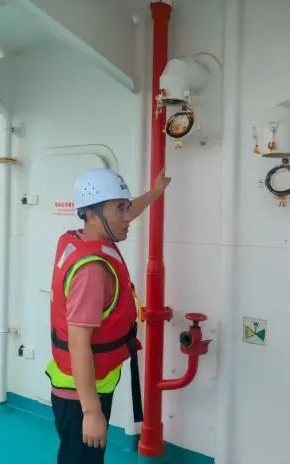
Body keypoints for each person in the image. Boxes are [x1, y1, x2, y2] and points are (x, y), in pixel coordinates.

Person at [46, 168, 171, 463]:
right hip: (81, 396)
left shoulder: (79, 239)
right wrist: (91, 413)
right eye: (120, 209)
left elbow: (126, 212)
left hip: (81, 385)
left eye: (127, 207)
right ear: (91, 215)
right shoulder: (92, 270)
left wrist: (155, 192)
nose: (128, 217)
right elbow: (78, 341)